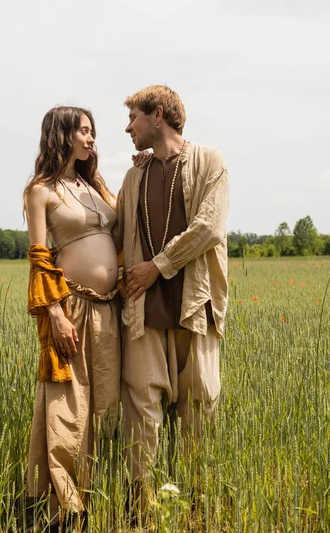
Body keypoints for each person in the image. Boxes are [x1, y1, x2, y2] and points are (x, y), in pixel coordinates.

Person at [113, 85, 229, 487]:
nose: (127, 127)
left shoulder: (210, 161)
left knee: (199, 411)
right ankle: (139, 508)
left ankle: (195, 507)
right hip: (143, 311)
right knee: (140, 413)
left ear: (157, 115)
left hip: (195, 308)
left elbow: (209, 227)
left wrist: (157, 267)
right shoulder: (134, 176)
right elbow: (115, 230)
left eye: (133, 118)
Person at [24, 106, 124, 531]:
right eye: (84, 131)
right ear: (61, 135)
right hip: (71, 309)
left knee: (106, 405)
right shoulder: (41, 191)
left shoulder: (93, 184)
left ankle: (99, 493)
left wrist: (140, 172)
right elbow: (40, 259)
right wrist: (55, 313)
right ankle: (63, 508)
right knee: (66, 406)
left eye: (92, 132)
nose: (91, 139)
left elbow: (127, 222)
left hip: (110, 308)